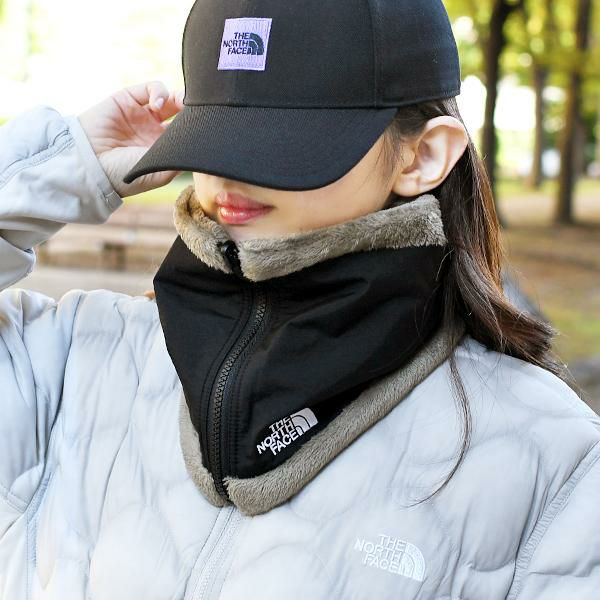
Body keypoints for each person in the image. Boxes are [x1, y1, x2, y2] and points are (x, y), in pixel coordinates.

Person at [1, 0, 599, 598]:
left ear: (423, 155)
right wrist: (70, 159)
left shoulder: (551, 461)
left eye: (283, 138)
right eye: (213, 132)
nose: (226, 173)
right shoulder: (77, 358)